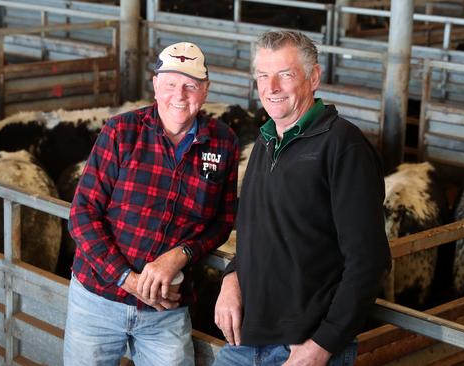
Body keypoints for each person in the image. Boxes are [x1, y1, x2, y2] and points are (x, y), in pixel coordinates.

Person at [213, 30, 391, 366]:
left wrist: (322, 345)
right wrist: (232, 277)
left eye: (285, 74)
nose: (272, 87)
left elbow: (369, 260)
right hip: (247, 339)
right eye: (263, 76)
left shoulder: (343, 146)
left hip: (303, 347)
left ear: (314, 78)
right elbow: (260, 231)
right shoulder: (265, 142)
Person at [63, 41, 240, 366]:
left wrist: (180, 255)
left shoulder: (224, 142)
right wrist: (128, 280)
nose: (180, 95)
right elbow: (82, 215)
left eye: (190, 85)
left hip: (166, 309)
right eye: (170, 83)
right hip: (97, 300)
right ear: (155, 84)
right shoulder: (121, 131)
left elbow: (222, 221)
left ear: (205, 90)